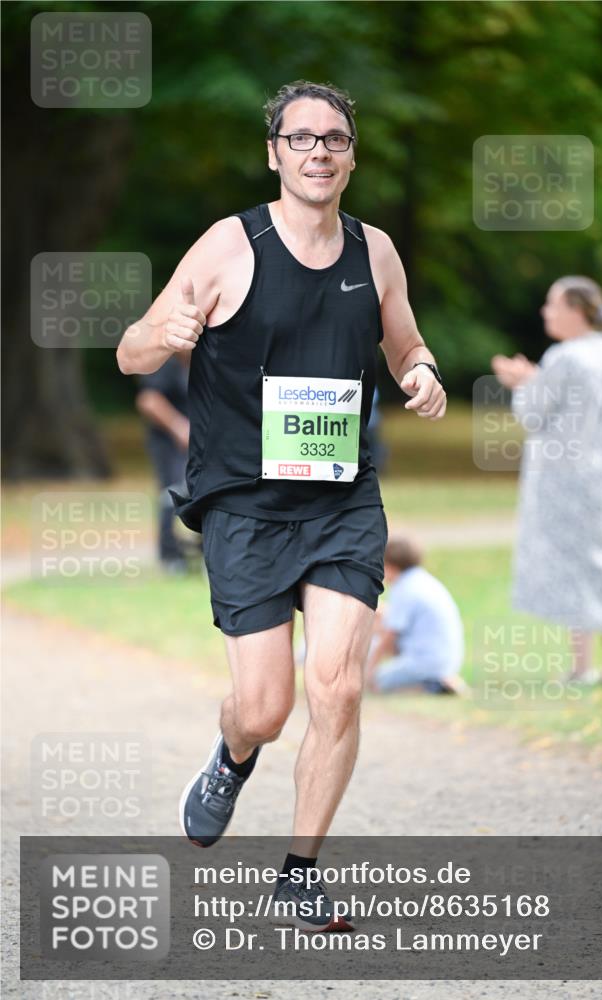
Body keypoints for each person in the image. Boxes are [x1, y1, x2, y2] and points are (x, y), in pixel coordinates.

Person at [116, 80, 446, 931]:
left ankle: (299, 873)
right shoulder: (229, 245)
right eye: (300, 138)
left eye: (334, 138)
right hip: (243, 502)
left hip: (342, 501)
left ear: (352, 155)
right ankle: (232, 755)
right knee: (266, 709)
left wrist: (420, 372)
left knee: (337, 688)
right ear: (273, 153)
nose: (318, 152)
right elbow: (130, 352)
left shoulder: (374, 251)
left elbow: (404, 340)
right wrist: (164, 335)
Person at [491, 276, 602, 686]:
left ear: (575, 309)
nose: (545, 311)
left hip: (568, 481)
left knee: (575, 569)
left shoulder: (565, 356)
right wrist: (536, 379)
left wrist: (521, 383)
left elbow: (533, 414)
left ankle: (581, 666)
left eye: (553, 303)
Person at [365, 536, 466, 694]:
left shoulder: (403, 589)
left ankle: (433, 685)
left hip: (424, 661)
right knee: (379, 625)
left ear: (391, 566)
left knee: (377, 681)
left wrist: (371, 668)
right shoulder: (422, 580)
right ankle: (439, 679)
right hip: (446, 659)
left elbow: (390, 636)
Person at [135, 353, 191, 573]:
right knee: (171, 494)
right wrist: (179, 427)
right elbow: (148, 399)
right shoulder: (166, 364)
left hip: (193, 441)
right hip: (168, 442)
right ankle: (170, 555)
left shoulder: (201, 360)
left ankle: (199, 550)